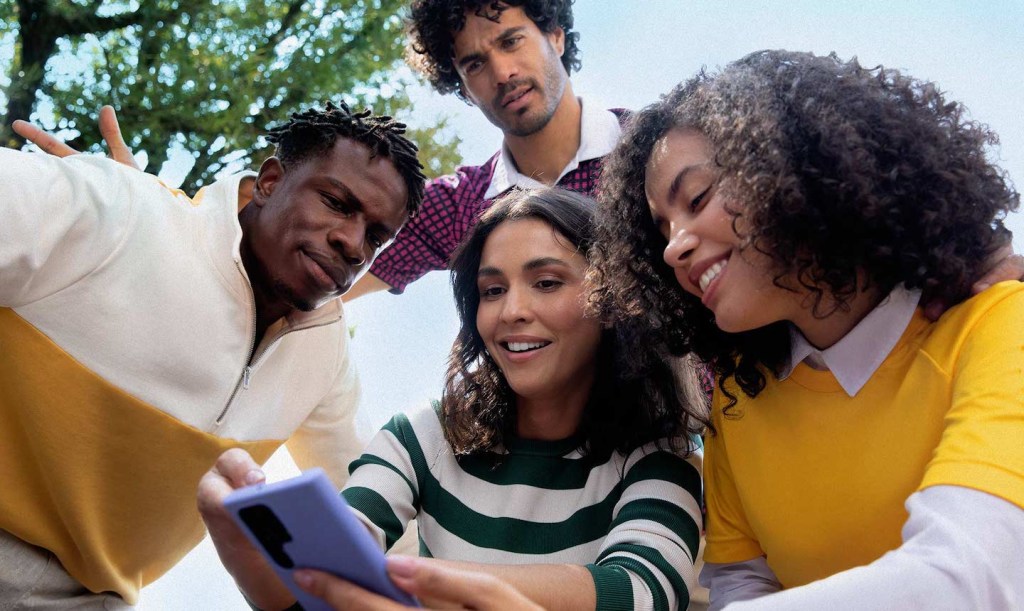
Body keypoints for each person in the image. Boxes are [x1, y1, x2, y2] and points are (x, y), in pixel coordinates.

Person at [589, 50, 1024, 608]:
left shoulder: (998, 324)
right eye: (663, 231)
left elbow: (971, 579)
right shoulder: (736, 407)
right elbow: (741, 585)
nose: (675, 246)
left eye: (697, 199)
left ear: (799, 166)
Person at [196, 188, 708, 610]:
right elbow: (338, 562)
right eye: (491, 290)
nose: (511, 311)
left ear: (612, 303)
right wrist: (254, 551)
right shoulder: (422, 436)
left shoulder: (660, 456)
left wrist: (416, 582)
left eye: (546, 282)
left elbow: (644, 590)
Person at [0, 102, 425, 608]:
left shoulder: (324, 352)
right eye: (336, 203)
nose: (354, 245)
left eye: (376, 236)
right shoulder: (116, 210)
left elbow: (369, 499)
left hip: (91, 596)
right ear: (269, 182)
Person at [14, 0, 625, 302]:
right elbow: (289, 255)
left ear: (554, 33)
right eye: (474, 62)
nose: (503, 71)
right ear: (459, 83)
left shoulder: (649, 150)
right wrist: (147, 213)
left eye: (513, 41)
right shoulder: (459, 209)